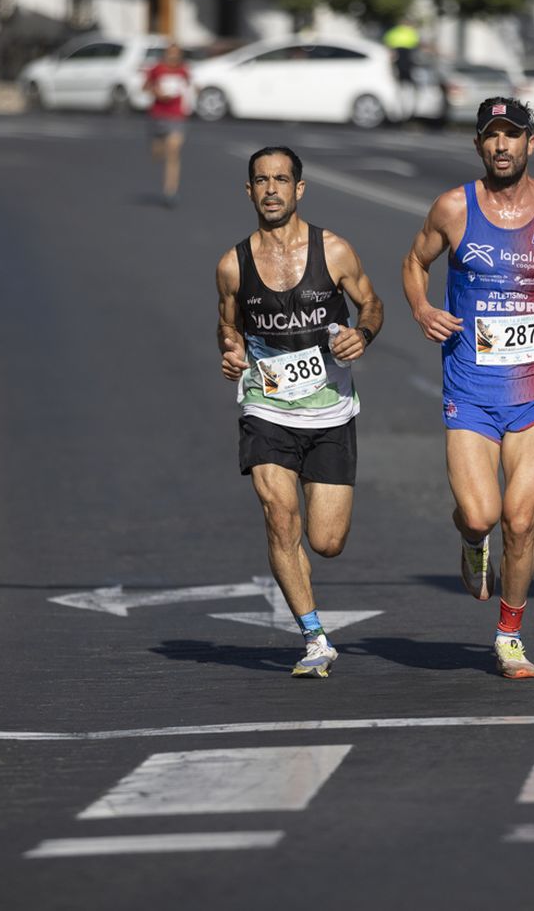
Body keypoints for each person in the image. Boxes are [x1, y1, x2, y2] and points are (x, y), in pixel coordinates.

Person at [401, 96, 534, 679]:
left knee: (520, 518)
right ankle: (472, 543)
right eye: (491, 135)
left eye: (512, 134)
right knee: (480, 514)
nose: (502, 145)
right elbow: (414, 262)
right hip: (471, 384)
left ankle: (509, 635)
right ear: (478, 145)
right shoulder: (453, 207)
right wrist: (422, 309)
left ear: (529, 143)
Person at [216, 146, 383, 678]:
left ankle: (314, 625)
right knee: (278, 513)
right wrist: (231, 352)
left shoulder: (333, 251)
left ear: (299, 189)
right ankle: (314, 638)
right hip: (266, 406)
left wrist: (363, 334)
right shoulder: (232, 265)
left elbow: (371, 303)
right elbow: (228, 326)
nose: (272, 190)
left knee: (326, 542)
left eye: (282, 180)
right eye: (262, 181)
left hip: (330, 410)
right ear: (249, 191)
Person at [144, 44, 191, 206]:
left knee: (173, 151)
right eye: (170, 54)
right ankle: (157, 146)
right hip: (158, 115)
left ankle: (170, 191)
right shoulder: (157, 69)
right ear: (166, 55)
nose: (173, 57)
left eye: (176, 54)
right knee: (158, 153)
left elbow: (189, 86)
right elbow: (145, 86)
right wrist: (157, 93)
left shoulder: (183, 70)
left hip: (177, 116)